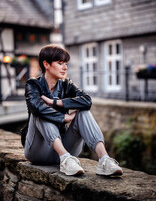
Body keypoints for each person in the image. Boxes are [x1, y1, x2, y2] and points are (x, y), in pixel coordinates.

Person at [24, 44, 123, 176]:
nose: (65, 67)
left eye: (66, 63)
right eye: (60, 63)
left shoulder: (66, 84)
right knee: (39, 111)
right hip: (38, 151)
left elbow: (87, 100)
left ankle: (104, 160)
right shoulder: (33, 84)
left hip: (66, 147)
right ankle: (64, 158)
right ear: (46, 64)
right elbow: (37, 108)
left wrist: (57, 102)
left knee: (83, 111)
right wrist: (64, 118)